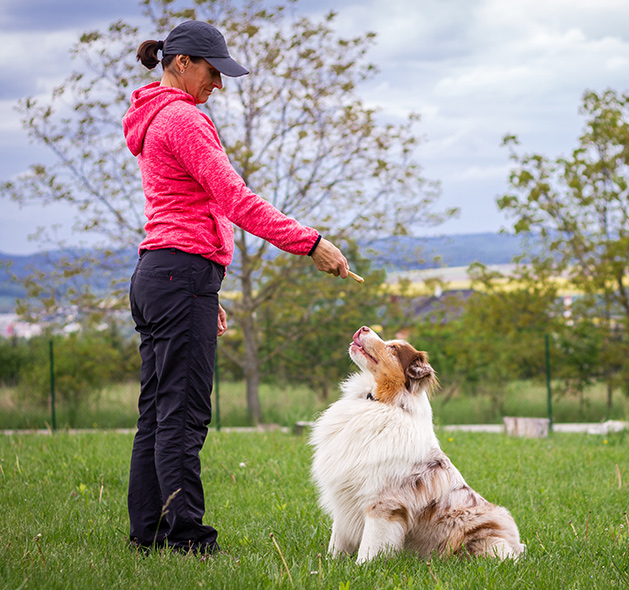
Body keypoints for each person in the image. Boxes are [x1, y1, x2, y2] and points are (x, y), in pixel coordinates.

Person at [122, 20, 349, 555]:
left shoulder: (153, 117)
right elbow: (235, 199)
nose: (218, 85)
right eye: (212, 71)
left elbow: (188, 210)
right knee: (182, 413)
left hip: (163, 274)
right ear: (181, 62)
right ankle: (186, 539)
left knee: (157, 410)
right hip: (179, 275)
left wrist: (207, 289)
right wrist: (309, 243)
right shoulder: (182, 119)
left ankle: (149, 533)